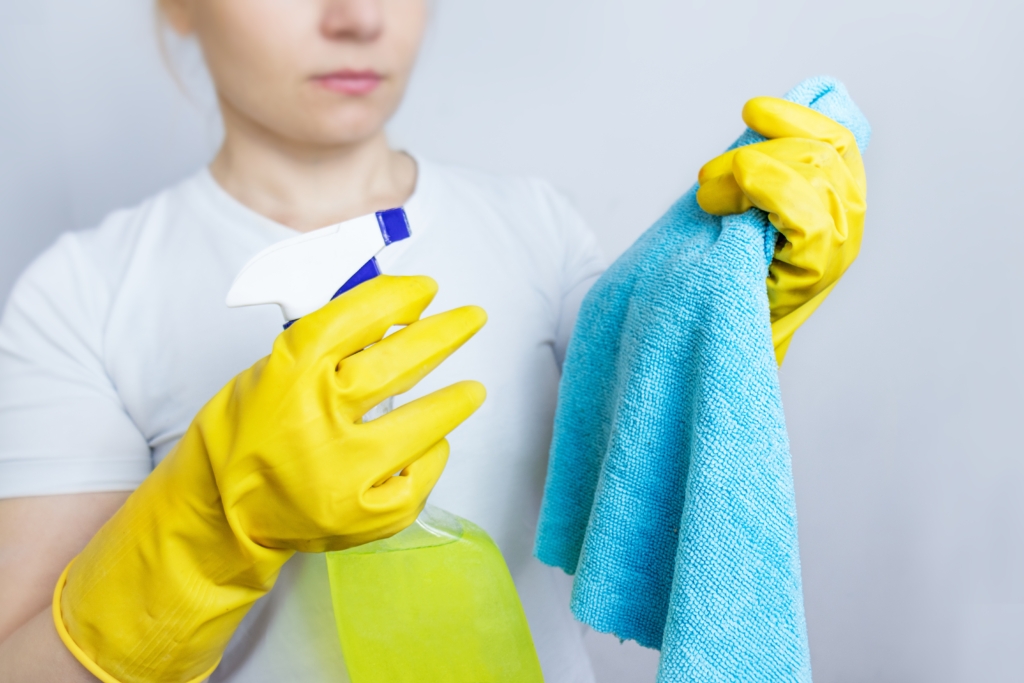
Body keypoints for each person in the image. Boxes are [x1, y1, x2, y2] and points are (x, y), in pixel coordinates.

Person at [0, 1, 867, 682]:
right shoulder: (83, 297)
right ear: (177, 4)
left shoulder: (535, 228)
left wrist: (732, 302)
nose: (358, 17)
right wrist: (209, 526)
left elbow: (647, 483)